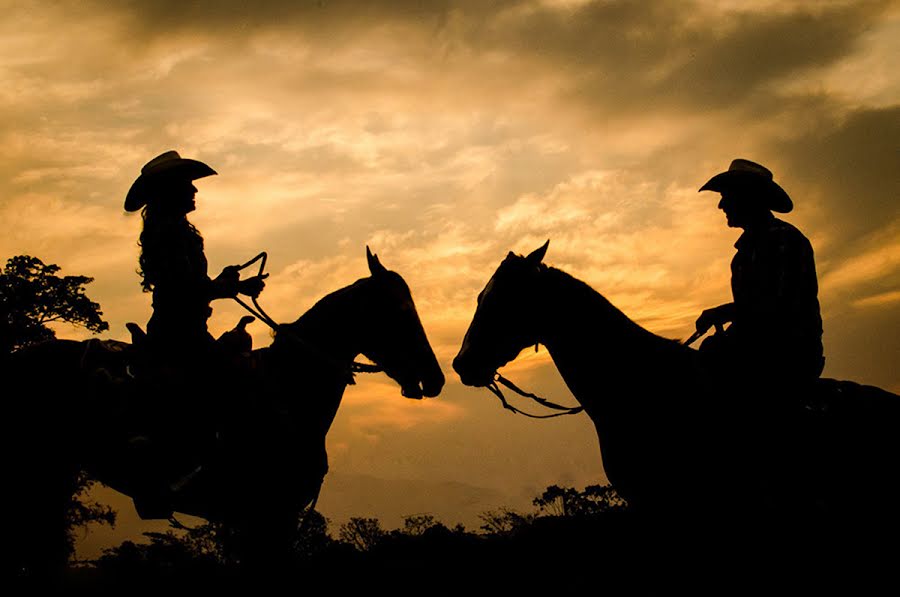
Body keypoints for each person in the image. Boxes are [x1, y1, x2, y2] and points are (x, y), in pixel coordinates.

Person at [124, 150, 266, 517]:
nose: (194, 191)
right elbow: (180, 288)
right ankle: (171, 474)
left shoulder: (176, 233)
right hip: (176, 336)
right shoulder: (167, 234)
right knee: (218, 389)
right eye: (187, 184)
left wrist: (227, 284)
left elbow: (193, 284)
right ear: (170, 190)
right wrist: (227, 286)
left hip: (189, 330)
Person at [695, 158, 824, 390]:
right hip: (759, 348)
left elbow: (777, 308)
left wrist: (724, 312)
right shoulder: (743, 254)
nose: (721, 205)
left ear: (747, 197)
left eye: (726, 196)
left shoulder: (785, 240)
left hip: (788, 353)